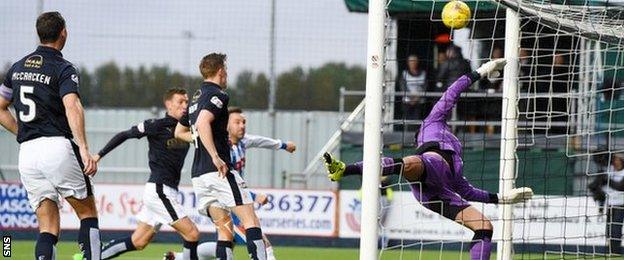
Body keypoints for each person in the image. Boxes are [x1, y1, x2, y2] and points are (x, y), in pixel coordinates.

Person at [324, 58, 534, 260]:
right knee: (412, 163)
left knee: (484, 225)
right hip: (426, 170)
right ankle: (345, 169)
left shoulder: (456, 162)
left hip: (436, 194)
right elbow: (452, 92)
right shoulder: (430, 124)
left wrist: (502, 198)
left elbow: (467, 191)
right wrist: (480, 71)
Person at [0, 12, 100, 260]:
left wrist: (20, 131)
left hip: (27, 154)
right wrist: (84, 148)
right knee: (87, 214)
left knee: (47, 226)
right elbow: (72, 106)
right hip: (57, 146)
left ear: (39, 33)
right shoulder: (63, 67)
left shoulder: (17, 67)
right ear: (63, 32)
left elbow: (0, 106)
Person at [82, 88, 200, 259]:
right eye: (180, 102)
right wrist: (99, 155)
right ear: (168, 104)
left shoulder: (187, 129)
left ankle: (93, 256)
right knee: (193, 234)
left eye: (186, 102)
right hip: (159, 190)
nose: (185, 105)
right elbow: (124, 135)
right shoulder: (156, 125)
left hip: (169, 190)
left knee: (138, 241)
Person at [167, 107, 296, 260]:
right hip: (228, 201)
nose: (242, 125)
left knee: (226, 243)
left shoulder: (243, 142)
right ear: (225, 125)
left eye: (244, 122)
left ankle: (179, 257)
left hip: (235, 197)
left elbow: (260, 141)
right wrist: (254, 196)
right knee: (262, 242)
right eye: (237, 122)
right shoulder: (221, 146)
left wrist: (283, 145)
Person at [175, 53, 268, 260]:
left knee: (225, 231)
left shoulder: (195, 99)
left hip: (199, 175)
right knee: (251, 221)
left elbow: (178, 132)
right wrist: (215, 156)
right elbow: (202, 123)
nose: (226, 74)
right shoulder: (219, 95)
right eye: (225, 69)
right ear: (220, 71)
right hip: (218, 171)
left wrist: (198, 139)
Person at [589, 153, 624, 255]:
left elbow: (620, 186)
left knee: (616, 229)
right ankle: (610, 251)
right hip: (610, 203)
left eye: (617, 159)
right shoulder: (609, 170)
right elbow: (596, 185)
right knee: (609, 230)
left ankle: (615, 252)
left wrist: (607, 180)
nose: (615, 161)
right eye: (614, 159)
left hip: (621, 204)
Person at [398, 55, 427, 121]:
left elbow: (425, 87)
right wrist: (411, 98)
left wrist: (417, 98)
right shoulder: (404, 73)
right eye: (411, 62)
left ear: (417, 62)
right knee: (407, 121)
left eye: (414, 61)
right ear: (408, 63)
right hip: (407, 101)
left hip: (419, 102)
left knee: (417, 121)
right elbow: (403, 87)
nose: (413, 63)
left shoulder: (423, 73)